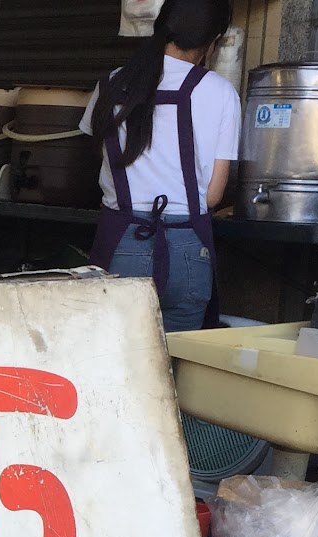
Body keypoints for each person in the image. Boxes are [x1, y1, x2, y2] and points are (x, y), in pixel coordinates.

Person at [80, 0, 240, 332]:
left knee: (117, 355)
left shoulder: (110, 84)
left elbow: (98, 157)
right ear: (212, 40)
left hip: (121, 245)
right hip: (188, 252)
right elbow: (213, 195)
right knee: (176, 360)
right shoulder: (221, 92)